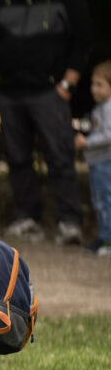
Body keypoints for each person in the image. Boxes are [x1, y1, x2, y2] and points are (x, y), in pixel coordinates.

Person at [0, 0, 92, 244]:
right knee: (16, 156)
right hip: (10, 92)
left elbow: (82, 43)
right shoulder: (4, 1)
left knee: (59, 154)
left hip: (49, 93)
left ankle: (69, 222)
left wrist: (67, 84)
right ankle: (26, 217)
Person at [75, 60, 111, 256]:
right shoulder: (100, 108)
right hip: (97, 163)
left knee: (106, 201)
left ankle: (108, 239)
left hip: (106, 163)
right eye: (92, 84)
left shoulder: (109, 108)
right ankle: (104, 236)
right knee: (98, 202)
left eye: (100, 84)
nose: (94, 89)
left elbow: (109, 135)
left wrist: (87, 142)